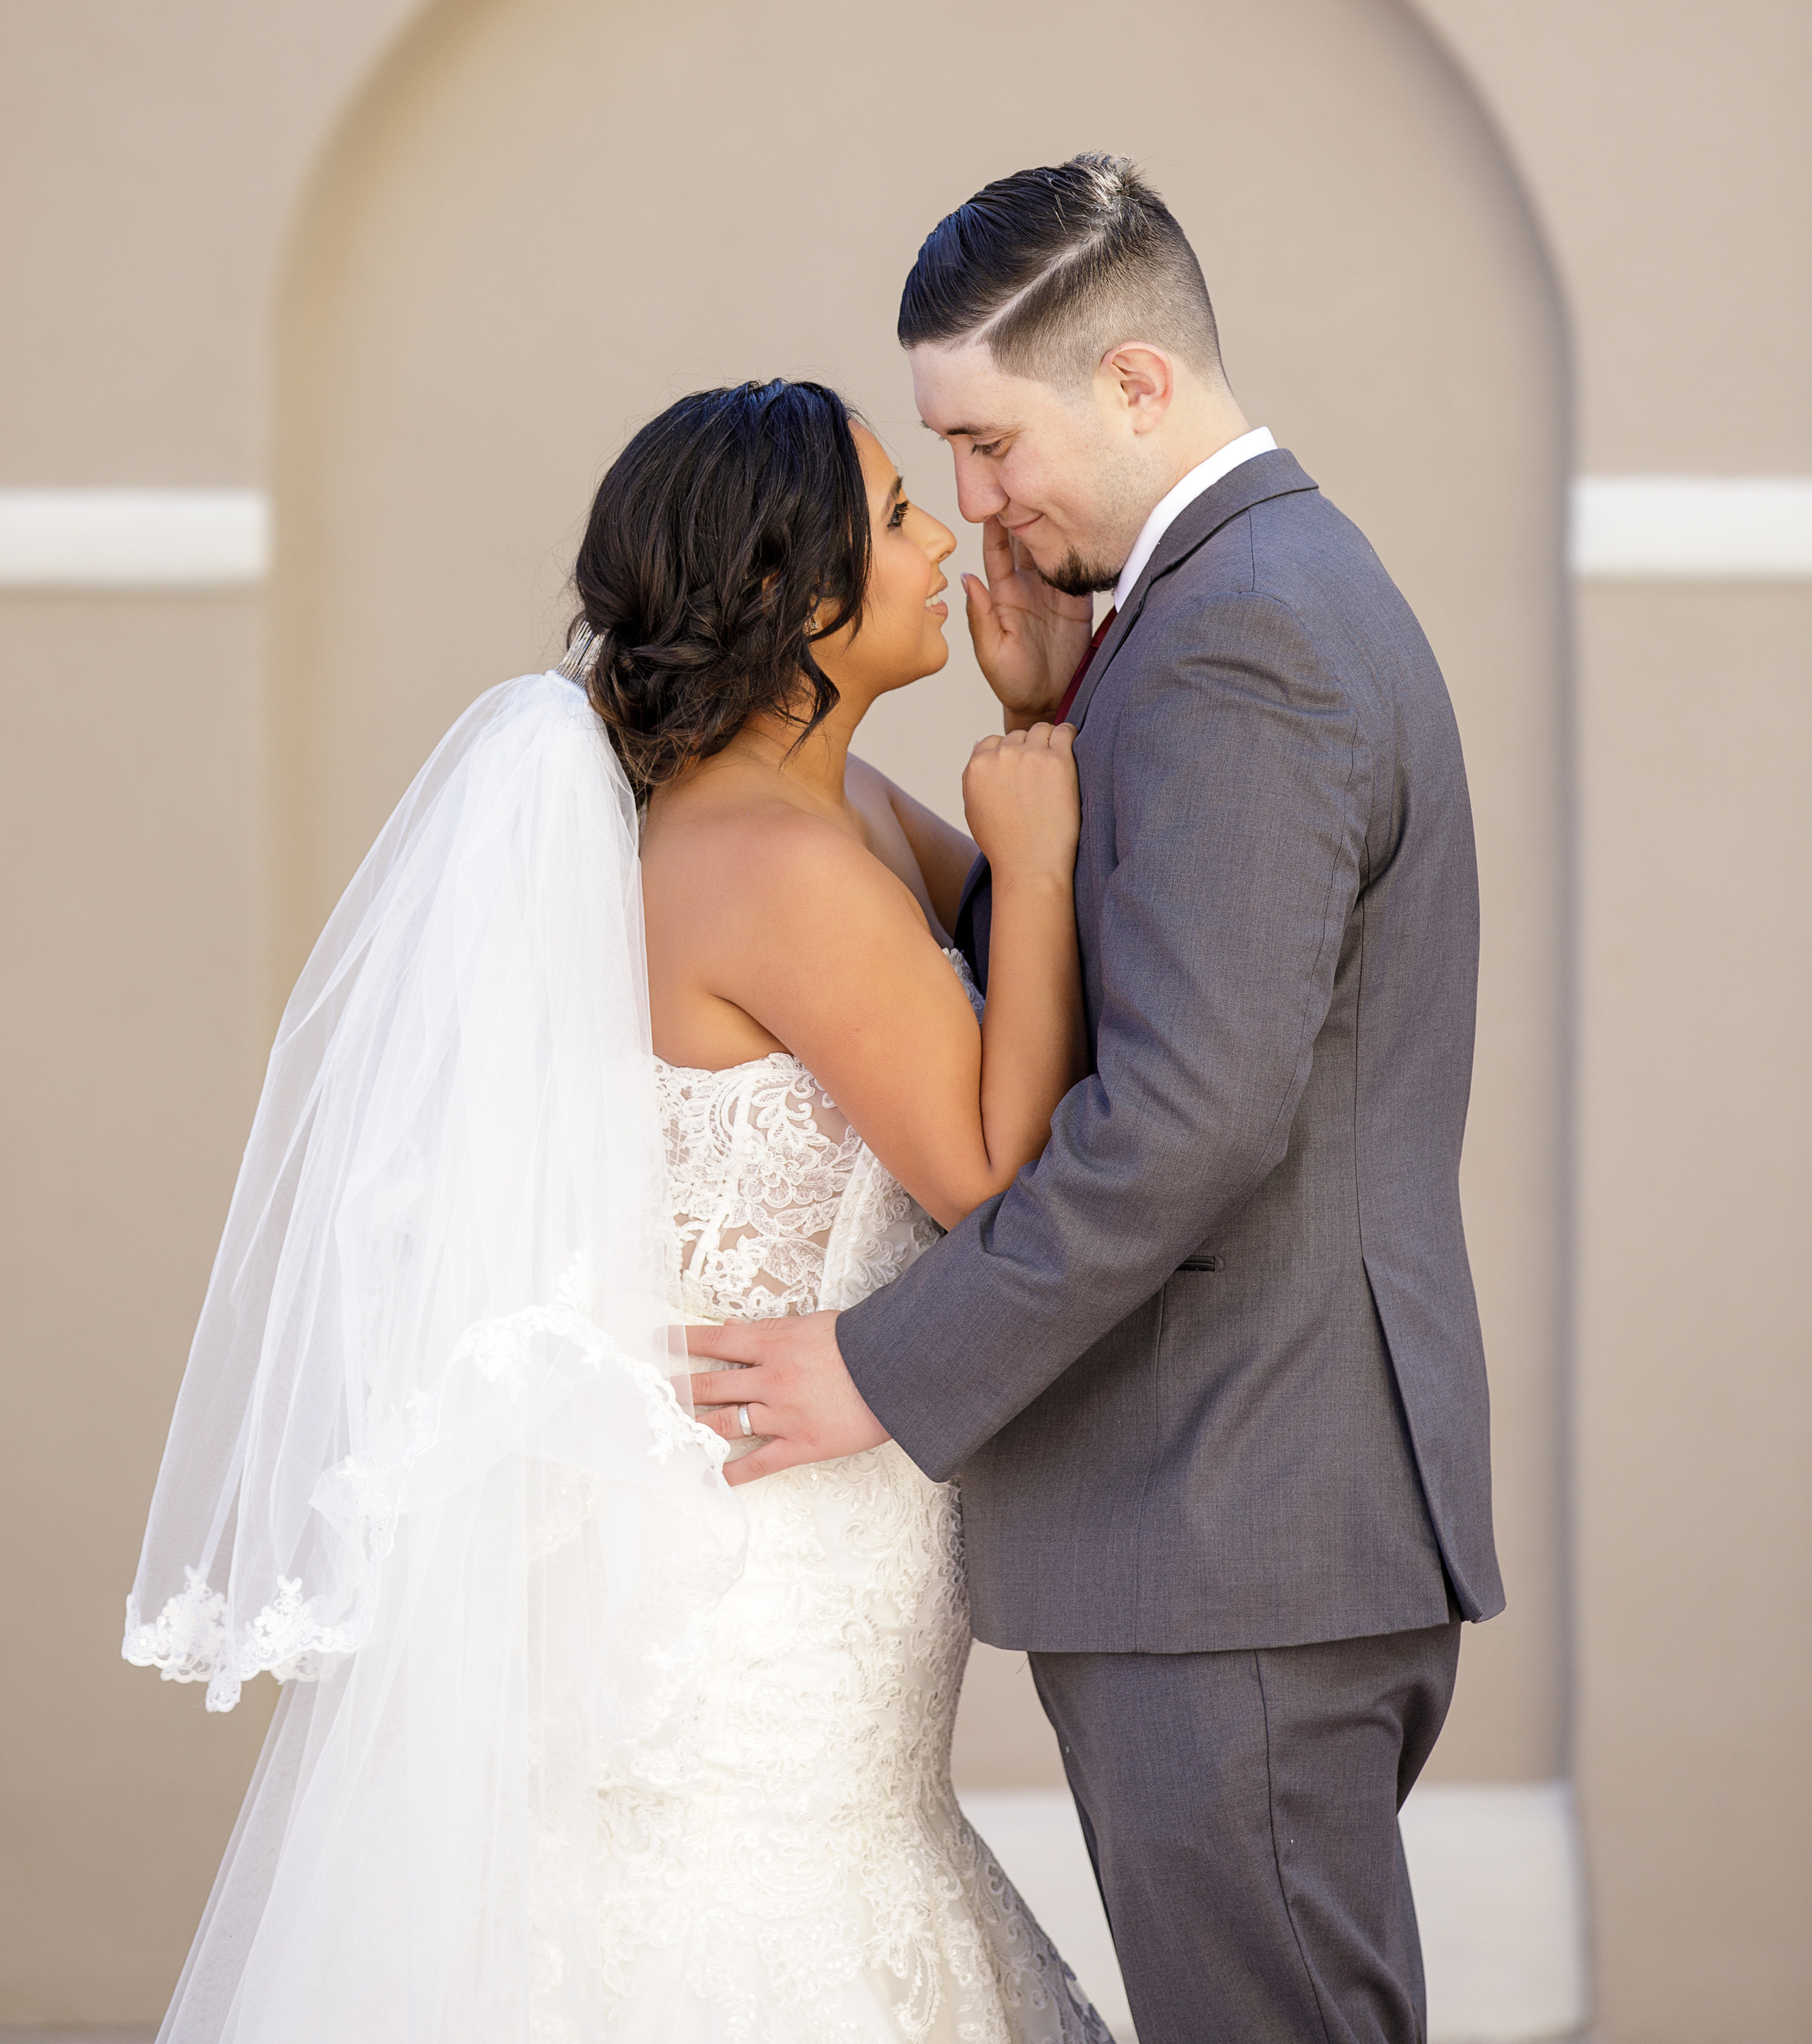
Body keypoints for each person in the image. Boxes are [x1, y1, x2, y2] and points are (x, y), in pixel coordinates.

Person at [125, 378, 1111, 2044]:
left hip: (813, 1504)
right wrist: (1049, 835)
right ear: (797, 598)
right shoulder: (773, 865)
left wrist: (1029, 752)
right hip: (778, 1537)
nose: (943, 536)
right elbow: (994, 1171)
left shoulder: (826, 812)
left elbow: (1008, 962)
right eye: (889, 519)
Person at [688, 156, 1506, 2044]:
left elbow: (1186, 1124)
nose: (971, 500)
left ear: (1135, 387)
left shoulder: (1247, 637)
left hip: (1237, 1520)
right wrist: (1057, 724)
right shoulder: (1207, 609)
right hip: (1237, 1516)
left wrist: (885, 1366)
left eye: (985, 440)